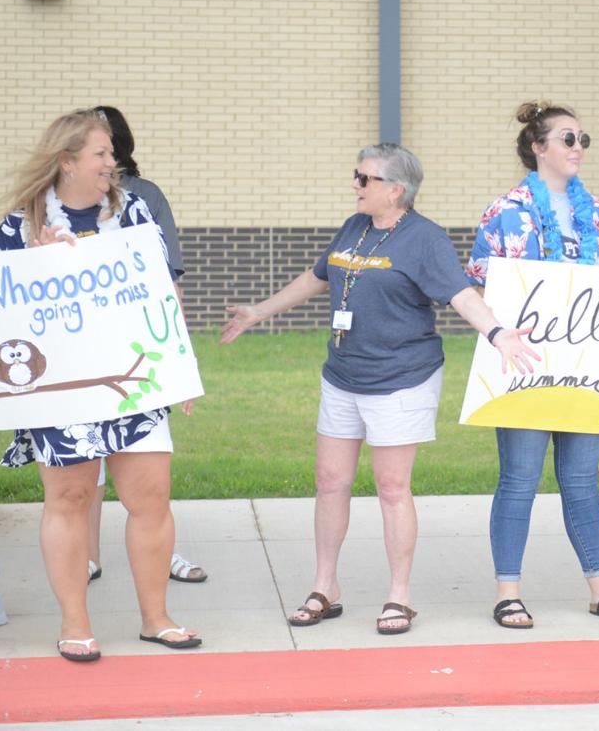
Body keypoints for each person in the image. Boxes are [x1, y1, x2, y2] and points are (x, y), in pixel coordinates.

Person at [220, 143, 538, 635]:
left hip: (401, 378)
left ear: (396, 189)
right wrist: (259, 311)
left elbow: (459, 294)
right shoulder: (356, 228)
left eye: (364, 179)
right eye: (356, 176)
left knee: (392, 488)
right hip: (343, 374)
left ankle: (399, 596)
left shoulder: (425, 239)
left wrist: (497, 334)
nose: (355, 185)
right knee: (330, 483)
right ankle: (326, 587)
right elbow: (317, 276)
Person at [0, 110, 200, 661]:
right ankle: (74, 621)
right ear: (68, 162)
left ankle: (157, 617)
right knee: (69, 497)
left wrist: (179, 368)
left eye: (111, 155)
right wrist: (36, 265)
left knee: (151, 497)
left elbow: (163, 293)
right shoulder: (20, 227)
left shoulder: (134, 214)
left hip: (134, 378)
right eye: (102, 155)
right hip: (61, 389)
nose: (113, 163)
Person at [466, 101, 599, 630]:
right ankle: (508, 593)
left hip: (586, 367)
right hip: (527, 365)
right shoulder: (505, 211)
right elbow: (473, 285)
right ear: (538, 147)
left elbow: (597, 282)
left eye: (584, 139)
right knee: (519, 479)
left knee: (582, 479)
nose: (578, 148)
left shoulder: (598, 211)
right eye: (568, 139)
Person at [83, 105, 206, 586]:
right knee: (82, 460)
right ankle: (87, 557)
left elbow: (168, 277)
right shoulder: (50, 204)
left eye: (105, 147)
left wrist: (180, 358)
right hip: (79, 349)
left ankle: (162, 554)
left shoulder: (144, 197)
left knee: (149, 465)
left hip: (136, 347)